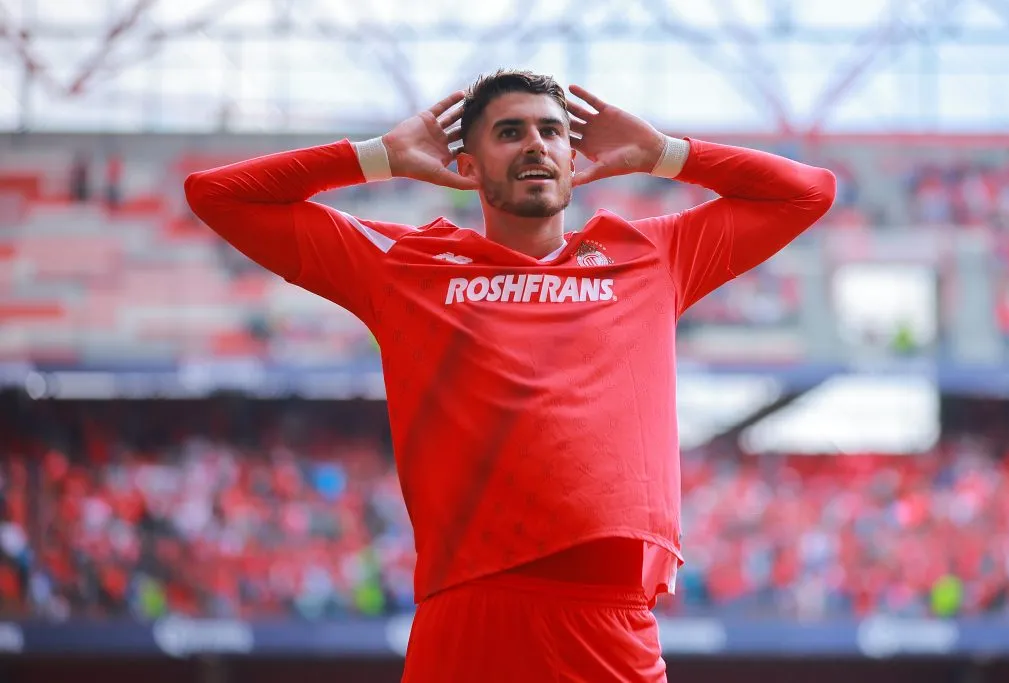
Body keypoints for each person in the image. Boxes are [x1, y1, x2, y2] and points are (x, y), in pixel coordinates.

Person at [184, 69, 836, 682]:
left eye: (552, 131)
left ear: (574, 161)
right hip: (468, 616)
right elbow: (216, 195)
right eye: (509, 132)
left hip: (608, 621)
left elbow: (808, 192)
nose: (536, 145)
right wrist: (378, 155)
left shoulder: (652, 255)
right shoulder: (406, 264)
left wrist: (663, 151)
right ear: (464, 168)